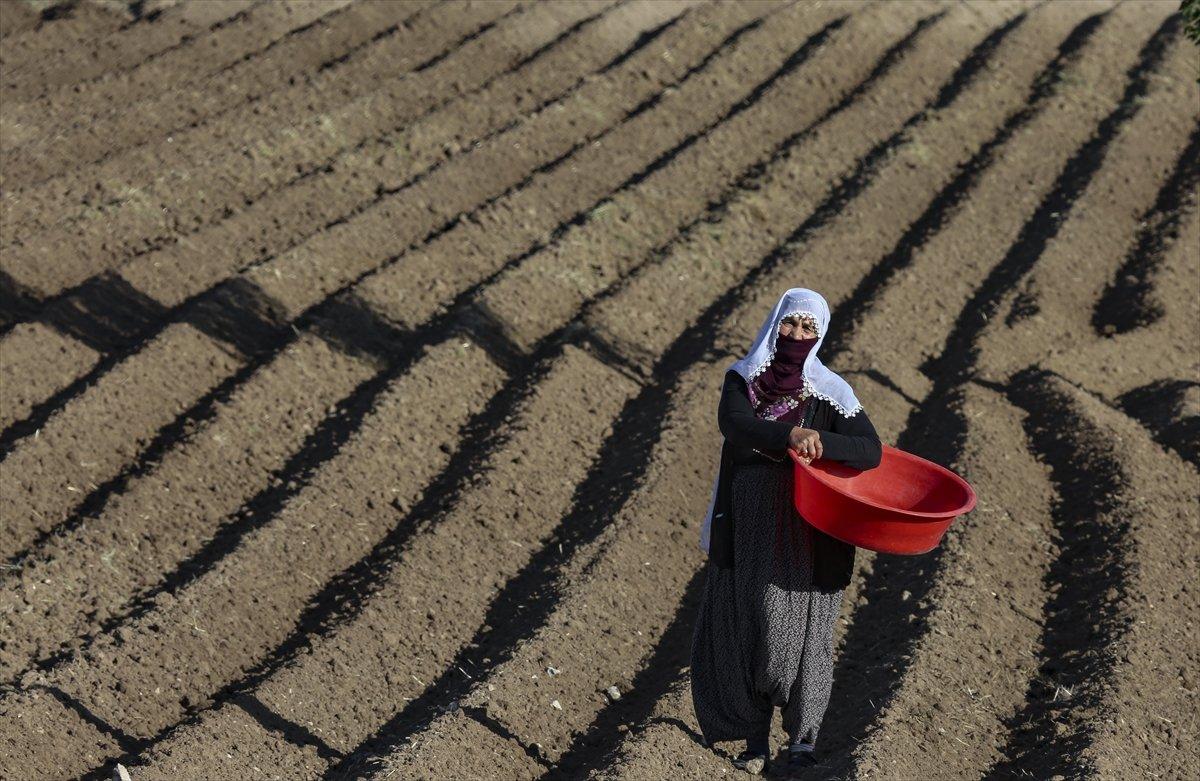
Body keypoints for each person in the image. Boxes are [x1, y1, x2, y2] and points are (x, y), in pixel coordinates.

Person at [690, 287, 883, 778]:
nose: (797, 335)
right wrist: (787, 434)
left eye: (808, 329)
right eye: (791, 325)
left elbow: (869, 451)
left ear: (820, 336)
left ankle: (802, 742)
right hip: (752, 517)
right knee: (752, 620)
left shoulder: (830, 391)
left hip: (809, 524)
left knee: (809, 630)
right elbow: (734, 424)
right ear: (776, 323)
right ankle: (754, 738)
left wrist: (821, 442)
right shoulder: (743, 378)